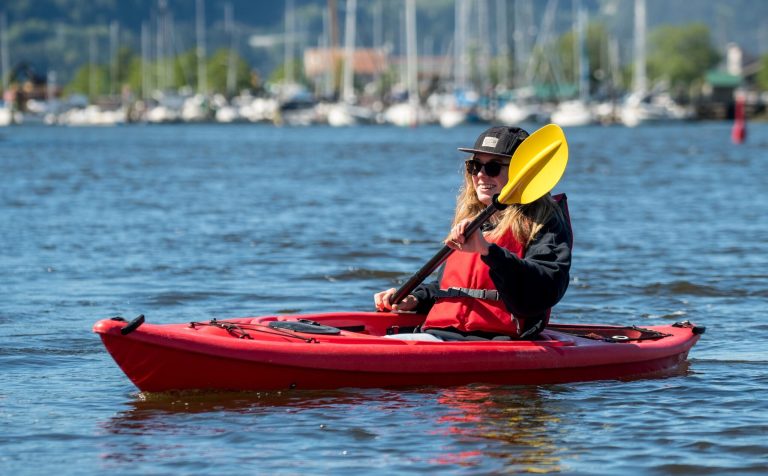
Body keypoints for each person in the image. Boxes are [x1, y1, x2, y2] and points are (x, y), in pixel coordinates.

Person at [373, 126, 572, 341]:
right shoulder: (474, 219)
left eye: (493, 167)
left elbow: (545, 290)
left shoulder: (544, 222)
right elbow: (451, 287)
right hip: (443, 333)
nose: (480, 175)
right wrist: (415, 298)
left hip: (498, 340)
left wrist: (488, 251)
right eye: (474, 166)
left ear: (520, 173)